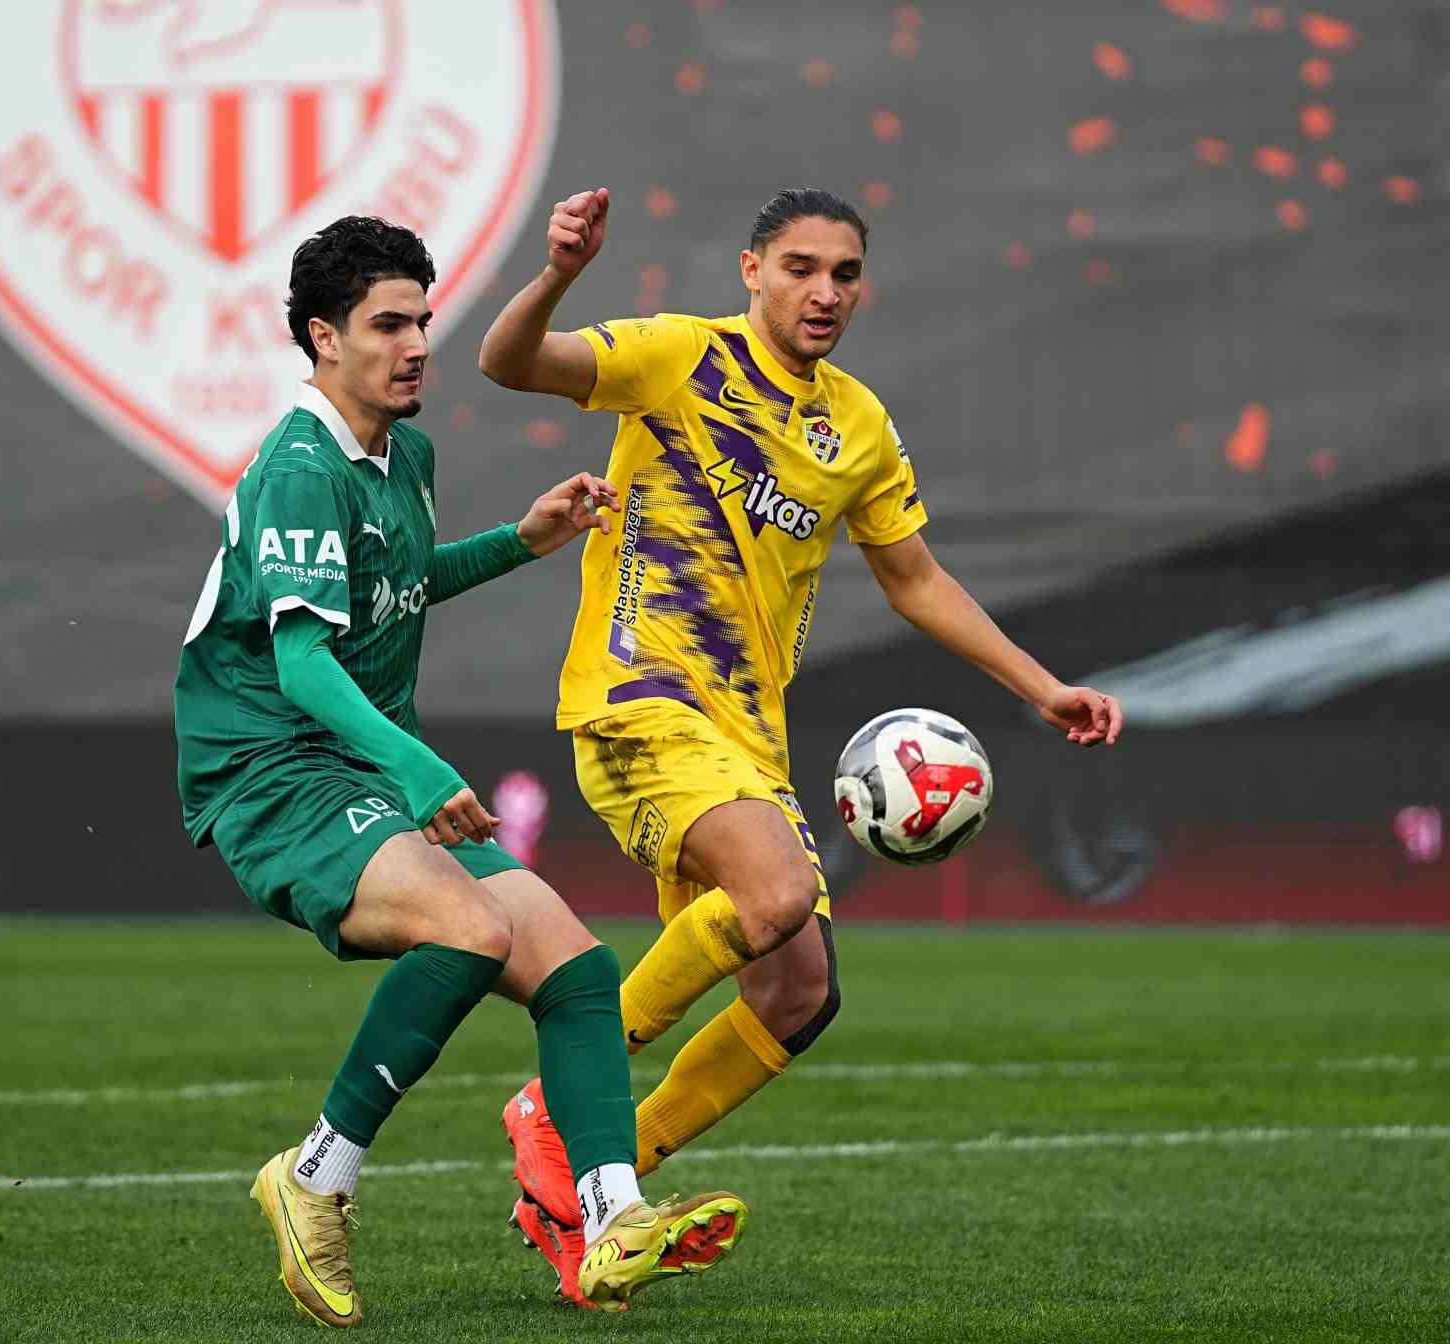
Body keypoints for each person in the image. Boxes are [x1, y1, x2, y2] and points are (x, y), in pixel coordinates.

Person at [477, 187, 1125, 1300]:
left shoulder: (857, 426)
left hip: (744, 737)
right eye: (802, 268)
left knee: (798, 994)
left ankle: (596, 1195)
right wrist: (559, 274)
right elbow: (506, 362)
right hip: (640, 699)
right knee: (778, 895)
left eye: (845, 273)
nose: (825, 291)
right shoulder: (678, 357)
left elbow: (913, 577)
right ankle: (555, 1106)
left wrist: (1040, 688)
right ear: (752, 271)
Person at [173, 216, 748, 1325]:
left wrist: (518, 543)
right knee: (472, 930)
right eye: (388, 324)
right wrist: (423, 766)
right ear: (321, 337)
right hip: (272, 771)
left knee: (575, 967)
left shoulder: (407, 455)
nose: (416, 343)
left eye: (422, 321)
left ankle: (611, 1215)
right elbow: (300, 660)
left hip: (358, 767)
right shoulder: (298, 467)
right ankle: (315, 1177)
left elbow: (395, 583)